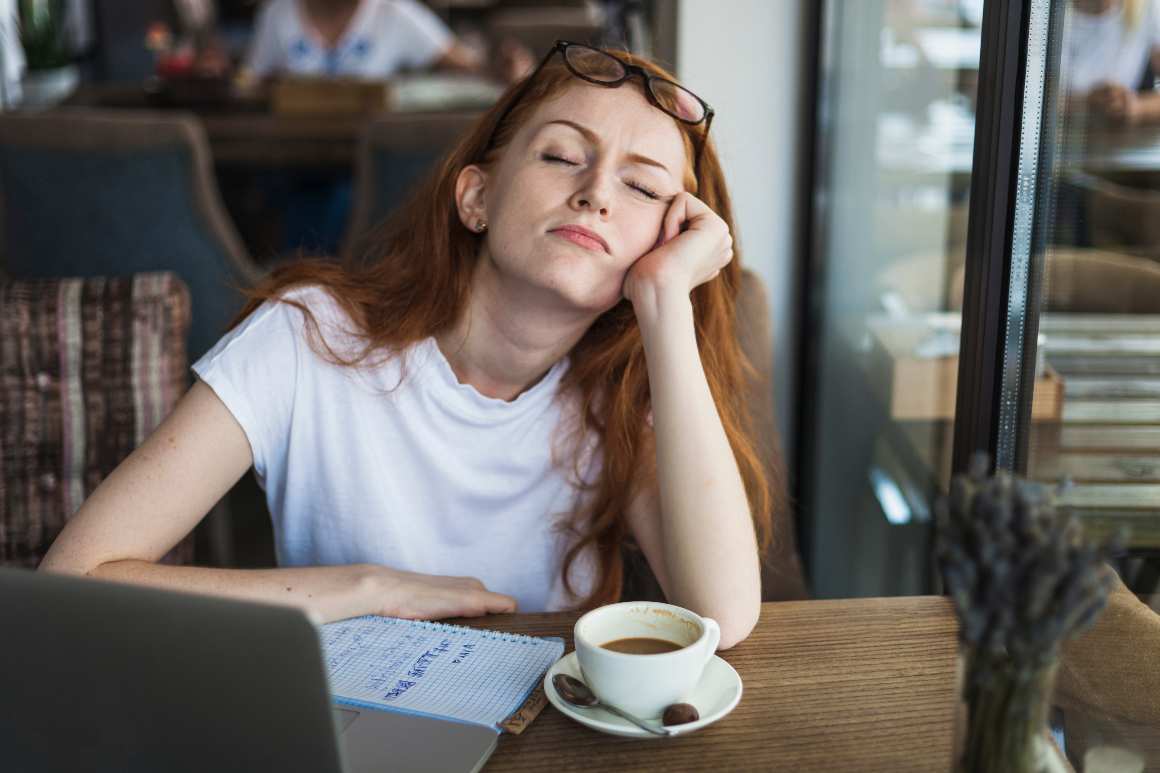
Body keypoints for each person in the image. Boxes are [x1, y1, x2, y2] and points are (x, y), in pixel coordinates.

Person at [39, 41, 778, 650]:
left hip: (549, 733)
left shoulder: (628, 394)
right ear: (476, 198)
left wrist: (663, 303)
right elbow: (72, 579)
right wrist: (365, 589)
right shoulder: (306, 338)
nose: (596, 193)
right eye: (560, 156)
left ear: (670, 241)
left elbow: (724, 614)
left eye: (644, 189)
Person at [240, 0, 532, 84]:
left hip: (364, 154)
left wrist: (503, 68)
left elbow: (467, 65)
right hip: (293, 156)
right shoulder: (278, 12)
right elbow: (250, 80)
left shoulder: (395, 12)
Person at [1064, 0, 1160, 125]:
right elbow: (1033, 101)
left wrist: (1136, 106)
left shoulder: (1148, 7)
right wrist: (1084, 103)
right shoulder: (1041, 10)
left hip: (1117, 140)